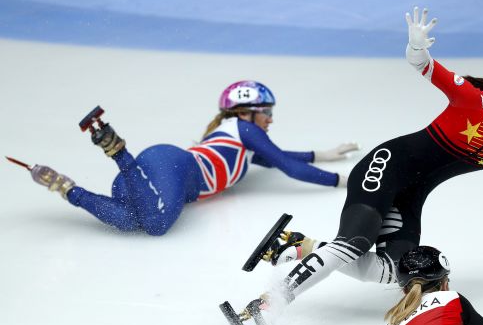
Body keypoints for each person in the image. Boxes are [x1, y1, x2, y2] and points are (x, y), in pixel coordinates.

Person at [243, 7, 483, 310]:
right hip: (385, 167)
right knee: (354, 244)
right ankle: (266, 305)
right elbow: (422, 64)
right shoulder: (472, 100)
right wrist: (416, 44)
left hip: (411, 195)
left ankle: (296, 246)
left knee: (395, 271)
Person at [17, 81, 358, 235]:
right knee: (154, 225)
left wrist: (324, 154)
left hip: (150, 180)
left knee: (130, 222)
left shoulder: (241, 143)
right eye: (266, 111)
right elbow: (288, 167)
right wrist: (345, 181)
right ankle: (118, 151)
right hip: (171, 170)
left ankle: (67, 188)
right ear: (248, 113)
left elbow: (279, 158)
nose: (271, 118)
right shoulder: (243, 129)